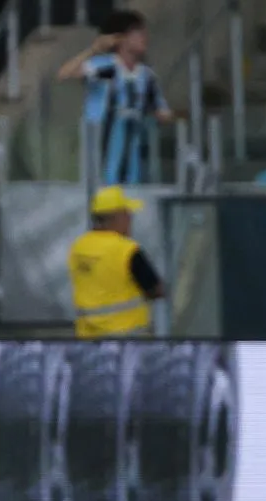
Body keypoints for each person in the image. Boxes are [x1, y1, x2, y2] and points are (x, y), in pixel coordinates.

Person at [57, 10, 174, 185]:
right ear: (120, 38)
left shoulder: (147, 76)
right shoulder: (107, 68)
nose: (145, 37)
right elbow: (64, 74)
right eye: (138, 32)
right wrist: (94, 50)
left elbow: (162, 112)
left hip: (132, 164)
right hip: (101, 160)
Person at [67, 185, 164, 338]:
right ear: (117, 217)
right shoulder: (127, 250)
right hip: (127, 340)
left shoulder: (78, 247)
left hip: (87, 339)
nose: (131, 220)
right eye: (128, 215)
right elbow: (156, 290)